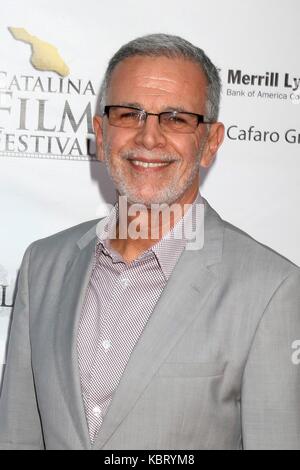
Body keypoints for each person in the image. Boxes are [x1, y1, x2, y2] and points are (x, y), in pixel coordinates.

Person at [0, 33, 299, 450]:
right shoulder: (43, 264)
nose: (149, 138)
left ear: (210, 142)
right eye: (129, 114)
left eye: (176, 118)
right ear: (101, 134)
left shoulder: (272, 288)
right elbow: (17, 435)